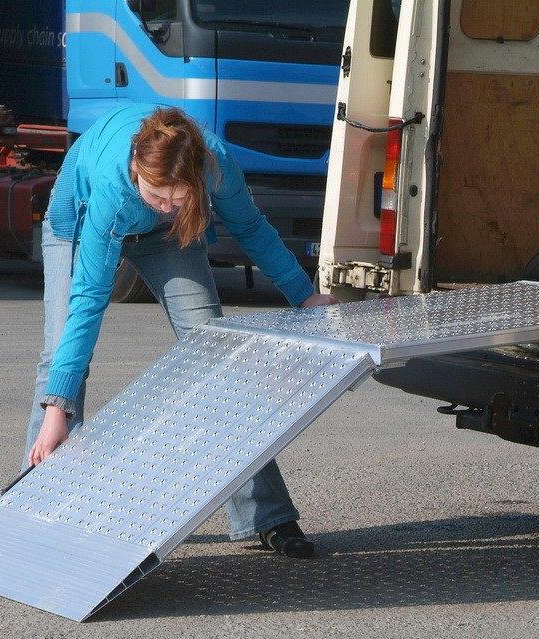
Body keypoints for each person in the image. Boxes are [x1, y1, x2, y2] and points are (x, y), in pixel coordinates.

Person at [23, 103, 338, 558]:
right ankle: (40, 508)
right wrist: (58, 408)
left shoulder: (215, 162)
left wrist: (302, 295)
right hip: (80, 218)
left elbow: (250, 227)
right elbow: (88, 302)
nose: (167, 207)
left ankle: (267, 515)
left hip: (168, 239)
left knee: (218, 355)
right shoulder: (112, 190)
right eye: (157, 197)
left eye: (179, 199)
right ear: (137, 168)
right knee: (62, 359)